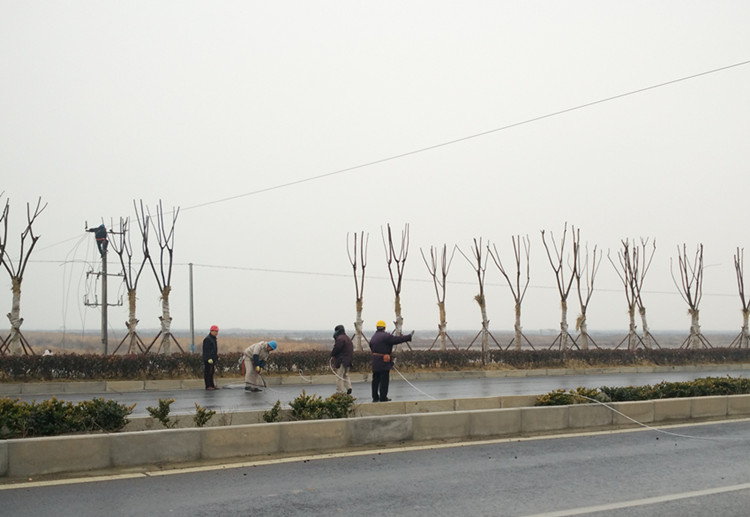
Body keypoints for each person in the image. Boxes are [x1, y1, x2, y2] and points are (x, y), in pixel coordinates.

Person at [369, 320, 413, 402]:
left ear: (377, 327)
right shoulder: (386, 336)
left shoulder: (373, 337)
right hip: (383, 361)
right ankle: (383, 397)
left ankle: (375, 397)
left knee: (375, 380)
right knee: (384, 380)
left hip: (375, 361)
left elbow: (371, 346)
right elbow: (397, 339)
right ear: (384, 328)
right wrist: (408, 337)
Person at [331, 324, 353, 395]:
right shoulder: (347, 338)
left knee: (339, 376)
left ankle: (339, 391)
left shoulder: (340, 339)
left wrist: (332, 355)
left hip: (341, 360)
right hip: (348, 360)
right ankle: (349, 387)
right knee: (345, 375)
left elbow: (337, 348)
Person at [202, 325, 219, 390]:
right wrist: (208, 358)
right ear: (211, 331)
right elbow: (206, 350)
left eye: (217, 331)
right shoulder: (207, 339)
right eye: (215, 331)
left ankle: (212, 385)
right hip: (208, 359)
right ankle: (208, 385)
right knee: (208, 372)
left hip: (213, 359)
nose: (216, 333)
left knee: (211, 372)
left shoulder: (214, 339)